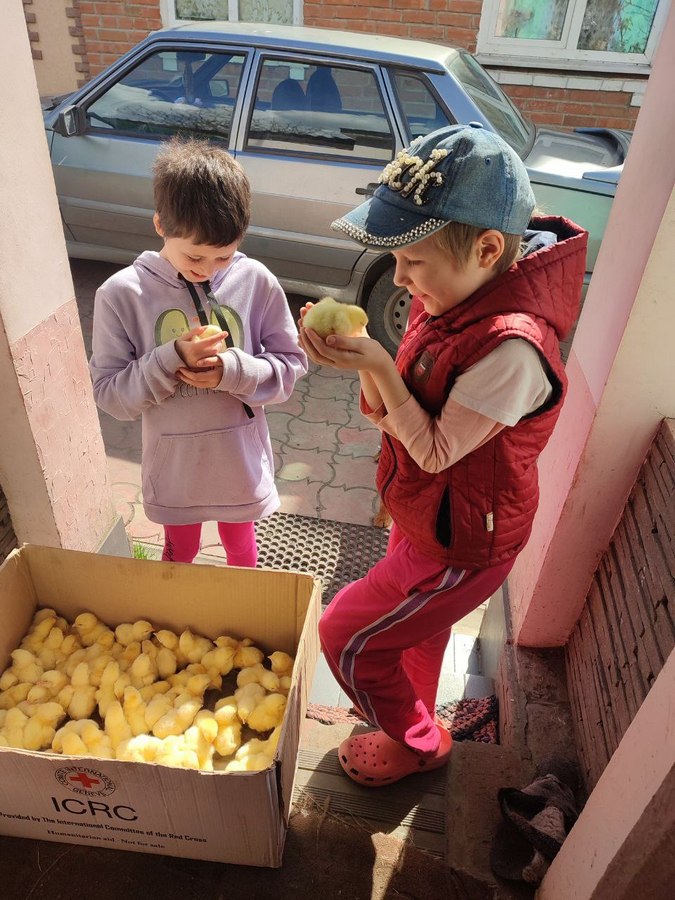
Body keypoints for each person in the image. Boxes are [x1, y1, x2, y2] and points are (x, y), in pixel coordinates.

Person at [298, 123, 587, 787]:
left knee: (347, 637)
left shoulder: (512, 351)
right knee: (414, 634)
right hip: (426, 518)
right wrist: (369, 368)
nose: (398, 277)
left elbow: (429, 449)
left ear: (487, 248)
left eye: (414, 260)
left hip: (461, 544)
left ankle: (423, 742)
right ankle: (412, 715)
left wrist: (373, 361)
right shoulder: (459, 294)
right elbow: (401, 411)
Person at [90, 137, 307, 566]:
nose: (208, 270)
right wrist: (170, 359)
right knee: (180, 552)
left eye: (224, 257)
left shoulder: (256, 280)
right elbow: (111, 395)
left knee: (242, 548)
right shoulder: (120, 295)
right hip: (176, 474)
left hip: (238, 466)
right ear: (159, 225)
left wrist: (233, 371)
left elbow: (291, 365)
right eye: (195, 256)